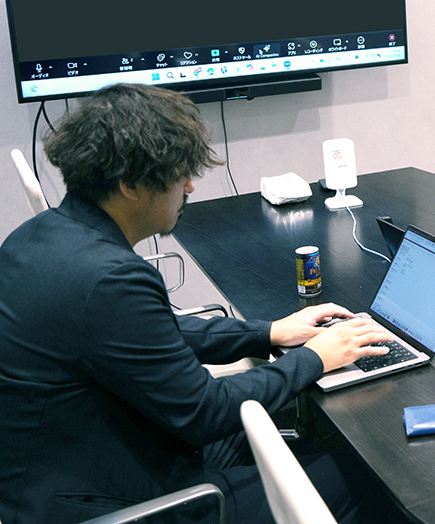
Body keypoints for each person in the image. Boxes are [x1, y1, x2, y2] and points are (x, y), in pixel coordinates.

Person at [0, 84, 401, 524]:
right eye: (179, 174)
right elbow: (205, 412)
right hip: (118, 502)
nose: (190, 185)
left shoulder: (40, 236)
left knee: (318, 441)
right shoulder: (111, 279)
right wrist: (315, 357)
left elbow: (154, 334)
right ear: (129, 184)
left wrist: (269, 332)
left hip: (96, 456)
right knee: (368, 478)